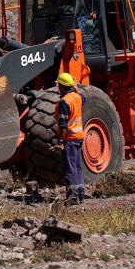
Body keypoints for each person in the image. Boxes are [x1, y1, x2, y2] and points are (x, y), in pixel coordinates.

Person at [54, 73, 86, 204]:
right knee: (77, 167)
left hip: (70, 139)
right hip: (79, 137)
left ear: (61, 86)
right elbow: (84, 98)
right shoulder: (76, 97)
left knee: (70, 168)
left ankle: (72, 197)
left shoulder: (64, 102)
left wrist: (61, 142)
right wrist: (76, 86)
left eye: (58, 85)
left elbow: (63, 125)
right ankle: (80, 196)